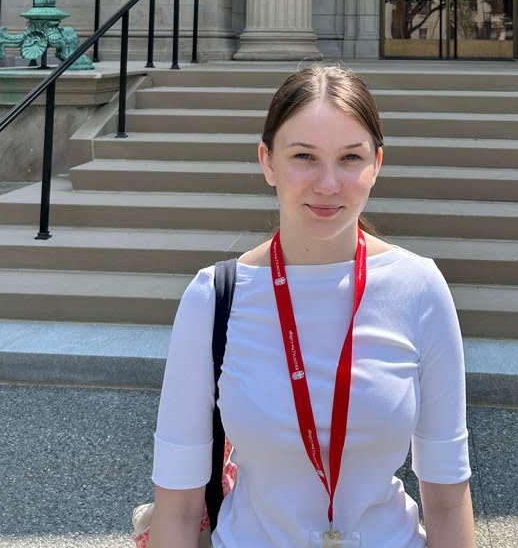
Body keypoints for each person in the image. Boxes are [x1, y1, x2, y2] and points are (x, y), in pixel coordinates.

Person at [146, 63, 476, 548]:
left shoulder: (418, 287)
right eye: (304, 156)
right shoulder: (213, 298)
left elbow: (447, 499)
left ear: (376, 164)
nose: (327, 183)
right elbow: (177, 510)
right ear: (267, 161)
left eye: (350, 157)